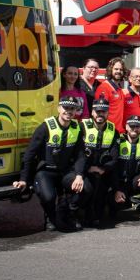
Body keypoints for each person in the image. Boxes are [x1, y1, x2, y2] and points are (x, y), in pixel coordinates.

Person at [13, 96, 92, 232]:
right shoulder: (45, 127)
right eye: (65, 108)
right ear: (59, 109)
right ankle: (50, 217)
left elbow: (80, 155)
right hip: (46, 171)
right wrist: (24, 180)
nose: (69, 111)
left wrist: (79, 175)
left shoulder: (77, 128)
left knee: (86, 188)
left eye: (72, 109)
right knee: (48, 197)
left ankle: (67, 211)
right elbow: (29, 154)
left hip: (65, 171)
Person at [81, 97, 121, 228]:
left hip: (103, 170)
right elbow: (77, 154)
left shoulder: (113, 130)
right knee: (88, 188)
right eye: (97, 111)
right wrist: (87, 168)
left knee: (103, 187)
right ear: (92, 112)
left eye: (103, 112)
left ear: (107, 113)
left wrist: (103, 169)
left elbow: (115, 157)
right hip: (84, 170)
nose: (100, 114)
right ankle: (77, 214)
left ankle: (97, 214)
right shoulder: (82, 127)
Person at [95, 57, 128, 133]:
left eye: (121, 69)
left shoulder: (119, 89)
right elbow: (99, 112)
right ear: (110, 70)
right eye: (116, 69)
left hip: (119, 131)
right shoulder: (104, 87)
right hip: (107, 131)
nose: (119, 71)